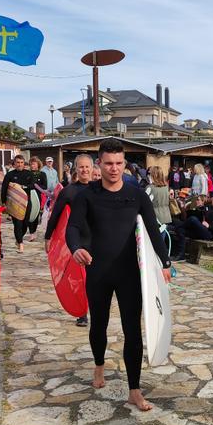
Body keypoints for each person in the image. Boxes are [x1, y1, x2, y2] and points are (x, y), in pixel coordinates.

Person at [66, 138, 171, 411]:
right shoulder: (87, 196)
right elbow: (73, 228)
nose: (114, 168)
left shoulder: (136, 195)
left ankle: (134, 390)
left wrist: (165, 262)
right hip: (98, 271)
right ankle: (99, 365)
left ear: (125, 164)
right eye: (108, 163)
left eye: (119, 163)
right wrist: (76, 248)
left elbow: (152, 228)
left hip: (128, 273)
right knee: (98, 325)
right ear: (99, 164)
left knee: (132, 331)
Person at [45, 156, 100, 327]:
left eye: (87, 167)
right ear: (76, 168)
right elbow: (55, 215)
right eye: (81, 167)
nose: (84, 170)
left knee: (97, 280)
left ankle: (96, 311)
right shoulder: (69, 191)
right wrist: (48, 237)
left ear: (92, 168)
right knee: (79, 280)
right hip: (78, 242)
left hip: (98, 241)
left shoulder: (101, 189)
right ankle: (82, 312)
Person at [1, 155, 35, 252]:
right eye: (18, 162)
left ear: (24, 163)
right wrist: (3, 202)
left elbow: (33, 185)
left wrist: (22, 187)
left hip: (27, 202)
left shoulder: (29, 174)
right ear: (14, 164)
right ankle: (20, 243)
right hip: (14, 203)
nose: (19, 164)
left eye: (21, 162)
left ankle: (18, 239)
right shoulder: (9, 175)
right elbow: (4, 189)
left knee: (25, 223)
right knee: (18, 223)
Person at [26, 156, 49, 242]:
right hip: (28, 196)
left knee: (35, 215)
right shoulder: (27, 173)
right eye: (31, 164)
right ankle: (31, 232)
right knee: (28, 214)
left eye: (34, 164)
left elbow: (45, 186)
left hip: (38, 196)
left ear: (38, 164)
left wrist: (36, 187)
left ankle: (33, 232)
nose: (32, 166)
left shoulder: (42, 174)